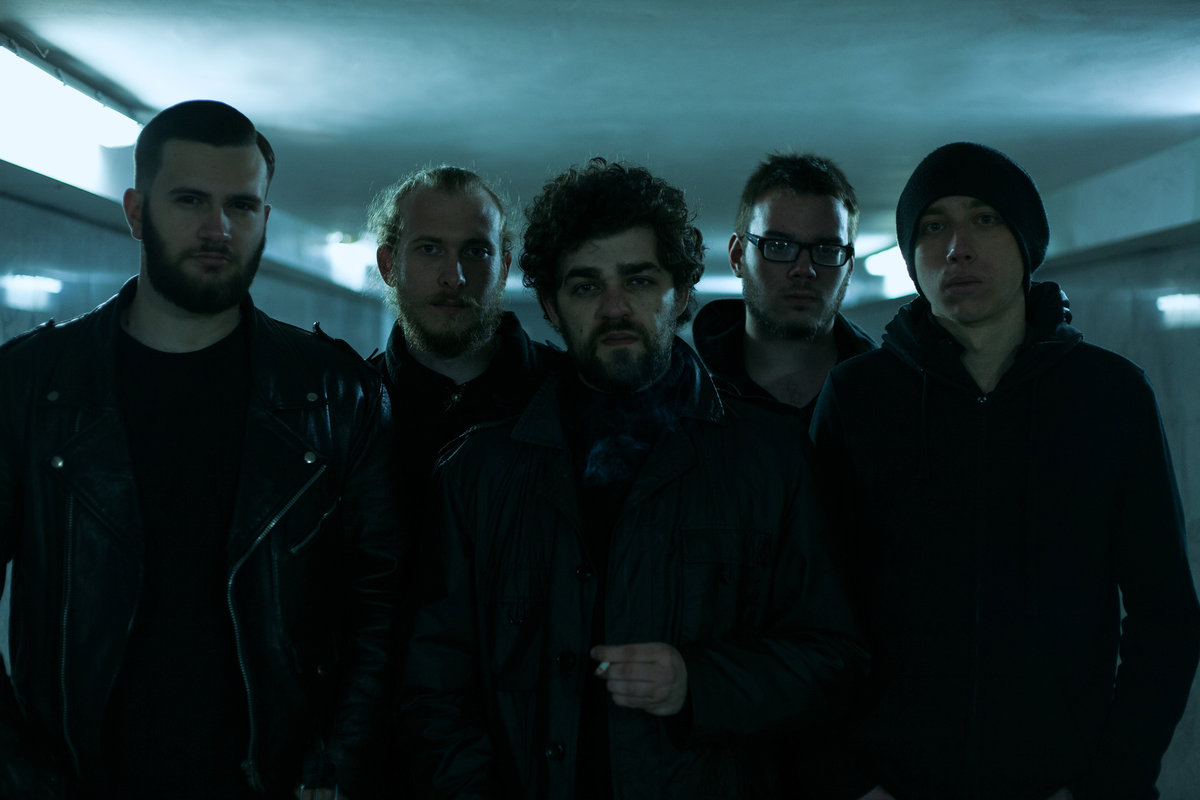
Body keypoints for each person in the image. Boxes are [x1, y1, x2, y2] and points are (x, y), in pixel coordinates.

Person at [399, 157, 867, 799]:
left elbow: (834, 659)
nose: (615, 307)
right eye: (586, 287)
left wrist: (697, 682)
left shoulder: (770, 458)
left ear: (681, 293)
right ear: (551, 307)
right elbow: (433, 690)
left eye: (639, 280)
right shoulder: (478, 472)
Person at [0, 100, 401, 799]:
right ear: (136, 212)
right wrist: (22, 777)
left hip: (270, 780)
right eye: (190, 200)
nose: (218, 228)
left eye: (241, 205)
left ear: (265, 220)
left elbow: (383, 602)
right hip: (82, 780)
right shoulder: (30, 387)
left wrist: (335, 766)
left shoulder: (337, 395)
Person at [809, 142, 1200, 800]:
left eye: (984, 219)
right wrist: (847, 780)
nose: (956, 248)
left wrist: (1112, 782)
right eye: (933, 226)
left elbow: (1165, 614)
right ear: (911, 256)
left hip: (1063, 783)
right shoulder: (859, 397)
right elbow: (809, 604)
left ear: (1026, 243)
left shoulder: (1108, 394)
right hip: (892, 783)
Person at [367, 165, 557, 522]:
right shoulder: (354, 406)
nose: (454, 278)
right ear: (388, 264)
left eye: (476, 252)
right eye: (429, 249)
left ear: (504, 269)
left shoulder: (565, 395)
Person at [693, 153, 874, 426]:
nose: (804, 268)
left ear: (848, 267)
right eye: (779, 246)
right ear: (738, 256)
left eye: (827, 249)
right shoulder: (686, 395)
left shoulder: (889, 394)